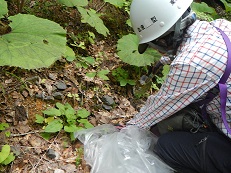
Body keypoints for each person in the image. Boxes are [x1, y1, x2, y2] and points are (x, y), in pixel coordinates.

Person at [127, 0, 231, 172]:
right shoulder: (221, 26)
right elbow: (195, 51)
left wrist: (125, 130)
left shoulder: (191, 64)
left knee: (167, 146)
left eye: (155, 44)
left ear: (163, 39)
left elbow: (157, 109)